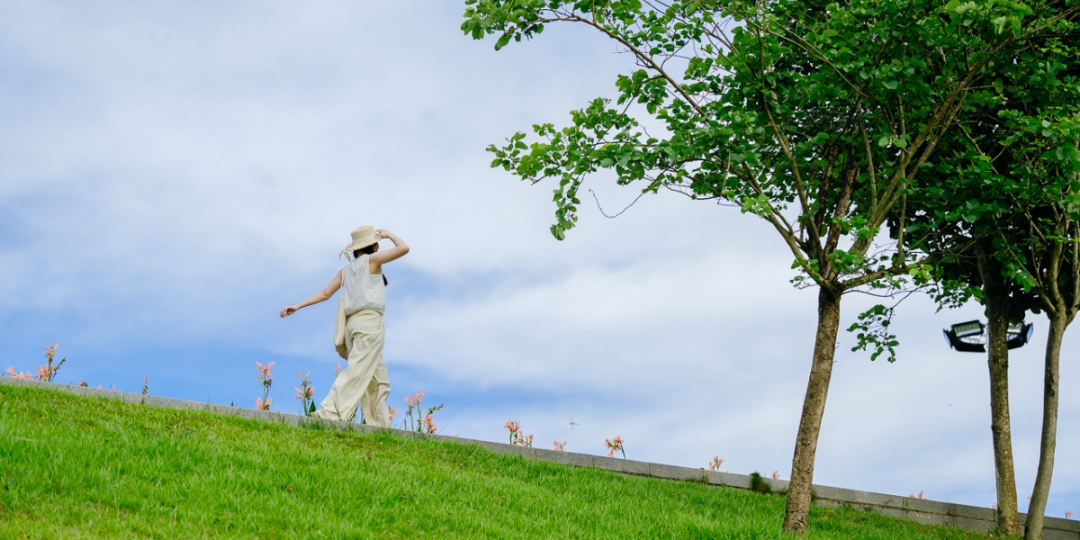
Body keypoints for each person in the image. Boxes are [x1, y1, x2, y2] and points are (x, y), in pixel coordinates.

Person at [279, 226, 409, 425]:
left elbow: (325, 293)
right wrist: (389, 234)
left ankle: (379, 426)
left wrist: (297, 306)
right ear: (373, 245)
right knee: (358, 371)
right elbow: (404, 248)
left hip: (352, 326)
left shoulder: (346, 271)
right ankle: (330, 412)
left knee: (378, 379)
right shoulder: (372, 260)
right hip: (369, 323)